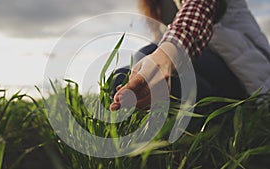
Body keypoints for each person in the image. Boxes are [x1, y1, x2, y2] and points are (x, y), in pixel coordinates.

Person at [110, 0, 270, 111]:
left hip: (241, 73)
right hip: (198, 67)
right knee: (121, 77)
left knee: (148, 55)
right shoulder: (155, 5)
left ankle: (221, 116)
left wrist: (163, 58)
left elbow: (199, 7)